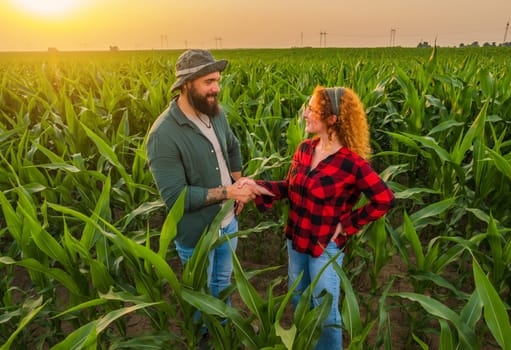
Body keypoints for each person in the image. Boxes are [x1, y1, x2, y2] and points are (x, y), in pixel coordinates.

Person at [241, 85, 395, 349]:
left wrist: (348, 224)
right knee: (300, 301)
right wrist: (257, 187)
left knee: (325, 313)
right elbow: (290, 188)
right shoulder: (304, 149)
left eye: (311, 110)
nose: (305, 114)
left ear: (332, 119)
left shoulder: (352, 163)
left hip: (325, 248)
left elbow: (384, 199)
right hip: (296, 240)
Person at [146, 49, 272, 307]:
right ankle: (205, 338)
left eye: (217, 80)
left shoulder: (215, 113)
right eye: (208, 82)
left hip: (228, 223)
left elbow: (233, 146)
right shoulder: (164, 134)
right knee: (201, 296)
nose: (216, 89)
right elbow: (176, 197)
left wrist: (239, 181)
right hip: (197, 234)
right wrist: (229, 192)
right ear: (185, 85)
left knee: (222, 284)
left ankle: (222, 332)